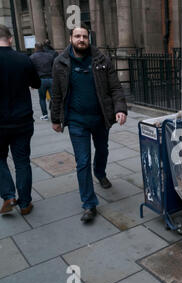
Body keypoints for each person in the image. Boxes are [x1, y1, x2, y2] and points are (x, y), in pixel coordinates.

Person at [51, 24, 128, 223]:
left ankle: (100, 172)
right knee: (82, 161)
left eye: (84, 36)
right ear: (71, 39)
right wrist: (55, 119)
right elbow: (57, 93)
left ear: (89, 39)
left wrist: (120, 109)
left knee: (102, 149)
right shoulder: (60, 62)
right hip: (76, 121)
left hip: (100, 117)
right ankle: (89, 204)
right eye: (77, 36)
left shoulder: (101, 60)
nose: (81, 40)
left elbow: (116, 88)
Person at [0, 24, 41, 215]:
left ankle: (8, 195)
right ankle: (25, 203)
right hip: (22, 120)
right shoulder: (23, 59)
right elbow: (36, 83)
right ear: (9, 39)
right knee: (22, 161)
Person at [30, 42, 56, 120]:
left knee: (42, 98)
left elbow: (32, 71)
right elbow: (54, 67)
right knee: (54, 98)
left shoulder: (32, 57)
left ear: (35, 48)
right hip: (51, 79)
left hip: (41, 80)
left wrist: (32, 83)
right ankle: (56, 114)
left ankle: (45, 115)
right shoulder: (50, 56)